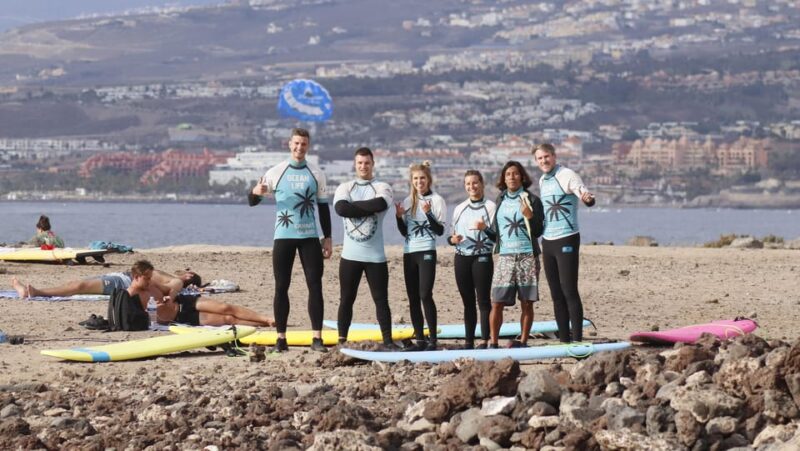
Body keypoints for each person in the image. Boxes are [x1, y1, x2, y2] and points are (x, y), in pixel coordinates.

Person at [248, 128, 332, 353]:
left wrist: (328, 238)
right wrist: (255, 192)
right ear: (289, 144)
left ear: (308, 146)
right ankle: (281, 339)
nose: (299, 147)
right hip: (283, 237)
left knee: (315, 286)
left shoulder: (316, 173)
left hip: (309, 237)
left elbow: (324, 208)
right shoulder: (276, 172)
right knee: (281, 287)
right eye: (296, 143)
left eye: (303, 144)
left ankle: (317, 338)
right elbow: (252, 201)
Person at [333, 147, 398, 350]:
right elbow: (340, 209)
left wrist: (353, 208)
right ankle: (341, 341)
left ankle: (388, 341)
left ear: (373, 164)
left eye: (367, 163)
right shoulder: (345, 187)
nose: (363, 166)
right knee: (346, 299)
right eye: (360, 163)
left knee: (381, 300)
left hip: (375, 257)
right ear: (355, 164)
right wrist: (364, 208)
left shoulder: (382, 187)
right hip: (350, 256)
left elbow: (380, 204)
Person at [533, 143, 595, 343]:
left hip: (567, 237)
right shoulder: (543, 180)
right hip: (548, 241)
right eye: (540, 158)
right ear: (536, 161)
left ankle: (577, 339)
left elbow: (584, 194)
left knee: (569, 290)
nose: (544, 161)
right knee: (556, 293)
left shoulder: (567, 175)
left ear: (554, 156)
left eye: (547, 156)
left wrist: (587, 198)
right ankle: (564, 340)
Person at [484, 161, 544, 348]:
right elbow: (496, 233)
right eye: (508, 174)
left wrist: (530, 216)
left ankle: (523, 341)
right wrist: (484, 229)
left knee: (527, 302)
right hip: (505, 257)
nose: (512, 177)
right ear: (503, 178)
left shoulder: (532, 200)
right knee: (497, 301)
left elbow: (538, 231)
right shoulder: (500, 199)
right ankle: (493, 343)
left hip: (527, 256)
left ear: (522, 177)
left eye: (515, 173)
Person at [124, 260, 275, 327]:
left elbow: (174, 286)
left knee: (225, 307)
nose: (149, 281)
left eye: (150, 277)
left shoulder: (151, 283)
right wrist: (151, 311)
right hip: (179, 317)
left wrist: (170, 297)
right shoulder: (129, 296)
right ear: (136, 277)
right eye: (146, 278)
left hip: (182, 302)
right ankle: (265, 324)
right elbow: (132, 319)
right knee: (228, 319)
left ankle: (267, 319)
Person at [395, 161, 446, 351]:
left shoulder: (437, 200)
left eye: (422, 178)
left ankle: (432, 339)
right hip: (409, 253)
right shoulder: (408, 201)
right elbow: (404, 232)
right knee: (413, 297)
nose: (419, 182)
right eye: (416, 179)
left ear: (429, 179)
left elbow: (440, 231)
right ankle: (420, 340)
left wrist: (429, 213)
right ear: (412, 180)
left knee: (425, 294)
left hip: (427, 251)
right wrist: (398, 217)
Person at [448, 170, 496, 349]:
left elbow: (497, 237)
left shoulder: (491, 207)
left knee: (483, 300)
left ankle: (484, 340)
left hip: (482, 257)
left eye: (475, 182)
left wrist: (485, 228)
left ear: (482, 184)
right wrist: (453, 240)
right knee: (467, 302)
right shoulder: (459, 208)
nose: (472, 186)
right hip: (461, 258)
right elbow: (450, 237)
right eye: (468, 183)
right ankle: (469, 341)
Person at [12, 267, 202, 300]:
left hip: (123, 282)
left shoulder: (177, 281)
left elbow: (172, 291)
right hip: (120, 277)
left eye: (186, 271)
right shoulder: (172, 277)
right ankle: (32, 291)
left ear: (189, 275)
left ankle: (35, 292)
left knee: (79, 287)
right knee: (75, 284)